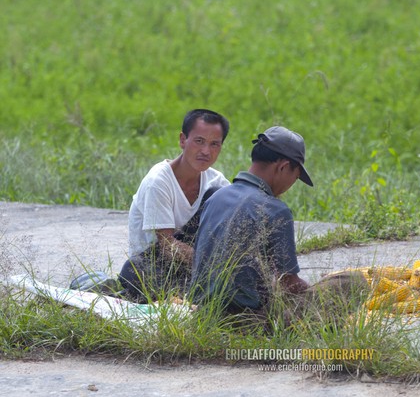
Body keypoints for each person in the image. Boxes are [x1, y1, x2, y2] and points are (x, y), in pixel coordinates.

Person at [190, 126, 367, 325]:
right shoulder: (274, 210)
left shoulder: (215, 196)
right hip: (247, 323)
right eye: (295, 176)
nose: (292, 184)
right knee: (353, 282)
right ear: (283, 167)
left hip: (204, 315)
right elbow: (288, 285)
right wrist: (310, 287)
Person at [118, 109, 230, 301]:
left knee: (222, 196)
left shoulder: (215, 180)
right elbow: (167, 244)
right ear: (182, 140)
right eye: (199, 141)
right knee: (133, 271)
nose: (206, 151)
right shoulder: (158, 181)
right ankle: (196, 290)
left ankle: (194, 290)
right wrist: (210, 267)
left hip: (194, 263)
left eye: (214, 144)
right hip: (156, 262)